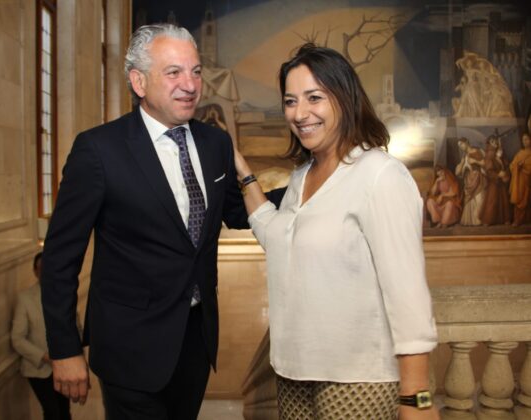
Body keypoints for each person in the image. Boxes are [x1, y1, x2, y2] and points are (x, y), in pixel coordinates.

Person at [40, 23, 283, 420]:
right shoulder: (98, 150)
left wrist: (313, 186)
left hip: (194, 341)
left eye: (196, 71)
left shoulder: (214, 142)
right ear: (138, 81)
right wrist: (65, 348)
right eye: (174, 73)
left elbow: (237, 213)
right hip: (128, 347)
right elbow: (59, 258)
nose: (190, 85)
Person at [232, 44, 439, 419]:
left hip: (357, 379)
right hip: (293, 372)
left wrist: (416, 397)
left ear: (344, 98)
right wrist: (244, 172)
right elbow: (276, 234)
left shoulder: (380, 175)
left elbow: (406, 290)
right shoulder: (301, 177)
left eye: (314, 98)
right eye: (290, 101)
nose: (300, 113)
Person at [11, 252, 71, 420]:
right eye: (41, 269)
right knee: (52, 413)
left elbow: (76, 328)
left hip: (64, 367)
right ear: (35, 271)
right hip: (38, 369)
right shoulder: (25, 299)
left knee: (64, 412)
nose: (45, 272)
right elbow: (17, 339)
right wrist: (45, 357)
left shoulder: (64, 296)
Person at [456, 138, 486, 226]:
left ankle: (481, 220)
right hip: (469, 179)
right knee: (470, 201)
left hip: (478, 178)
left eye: (462, 144)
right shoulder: (464, 156)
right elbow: (458, 172)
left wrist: (475, 161)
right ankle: (473, 222)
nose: (461, 147)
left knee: (479, 199)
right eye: (459, 145)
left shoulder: (476, 151)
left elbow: (484, 163)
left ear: (467, 142)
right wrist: (463, 166)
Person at [510, 133, 531, 226]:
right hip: (520, 181)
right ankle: (518, 219)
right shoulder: (520, 153)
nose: (524, 142)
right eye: (523, 140)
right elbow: (512, 166)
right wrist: (517, 167)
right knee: (520, 198)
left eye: (526, 139)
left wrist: (525, 167)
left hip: (528, 180)